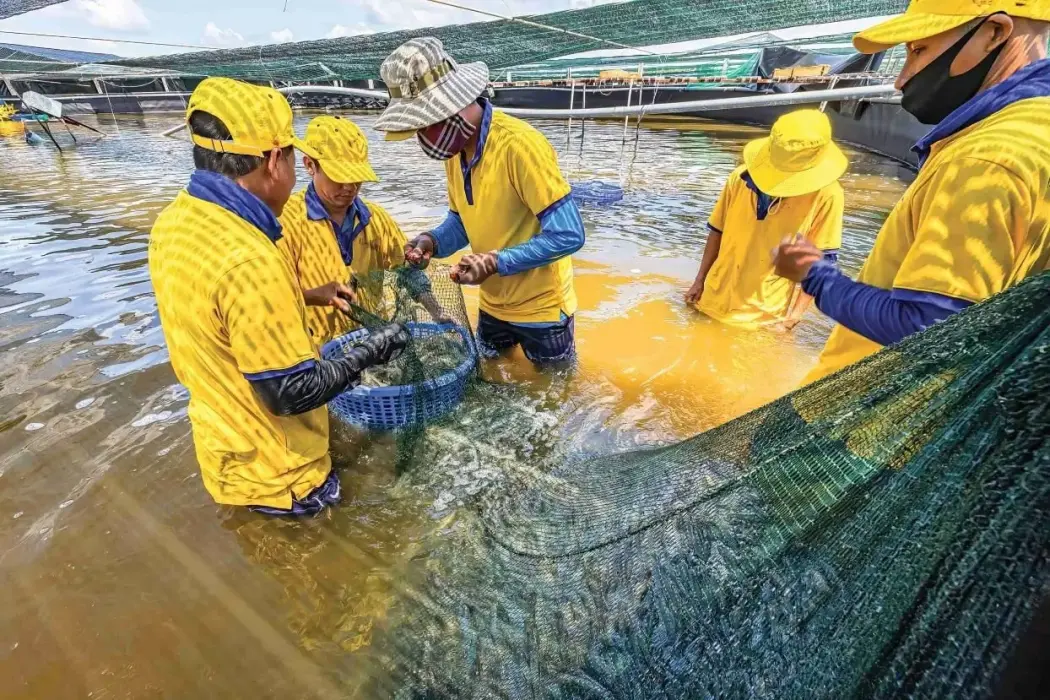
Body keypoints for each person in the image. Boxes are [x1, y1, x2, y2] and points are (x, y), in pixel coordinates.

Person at [148, 78, 409, 515]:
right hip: (285, 474)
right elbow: (291, 391)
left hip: (228, 456)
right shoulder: (250, 256)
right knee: (344, 574)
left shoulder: (175, 223)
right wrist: (371, 352)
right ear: (276, 161)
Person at [773, 0, 1050, 383]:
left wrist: (815, 276)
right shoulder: (1038, 131)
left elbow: (932, 330)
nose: (902, 79)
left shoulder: (985, 158)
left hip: (866, 412)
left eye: (919, 50)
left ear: (995, 33)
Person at [374, 37, 586, 366]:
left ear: (450, 110)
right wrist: (432, 241)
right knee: (491, 374)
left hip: (543, 311)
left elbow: (569, 234)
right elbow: (462, 220)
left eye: (423, 126)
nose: (420, 137)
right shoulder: (454, 152)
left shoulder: (520, 146)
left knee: (552, 397)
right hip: (491, 304)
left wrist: (493, 262)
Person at [278, 115, 448, 345]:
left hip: (373, 342)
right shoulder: (284, 222)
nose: (349, 187)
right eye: (339, 177)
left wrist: (437, 311)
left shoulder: (376, 219)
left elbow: (408, 271)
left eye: (357, 177)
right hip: (317, 351)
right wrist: (311, 296)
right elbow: (268, 299)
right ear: (310, 165)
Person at [685, 109, 847, 330]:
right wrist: (699, 280)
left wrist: (792, 319)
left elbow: (822, 262)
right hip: (712, 298)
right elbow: (717, 230)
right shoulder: (739, 178)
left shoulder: (827, 195)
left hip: (765, 318)